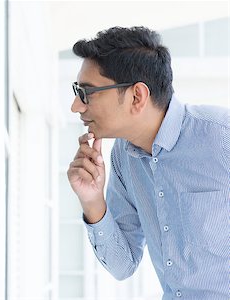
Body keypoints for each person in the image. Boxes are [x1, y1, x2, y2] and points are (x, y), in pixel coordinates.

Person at [67, 26, 229, 299]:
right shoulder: (123, 157)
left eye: (87, 92)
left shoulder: (222, 137)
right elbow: (123, 264)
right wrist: (92, 201)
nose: (76, 106)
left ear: (136, 96)